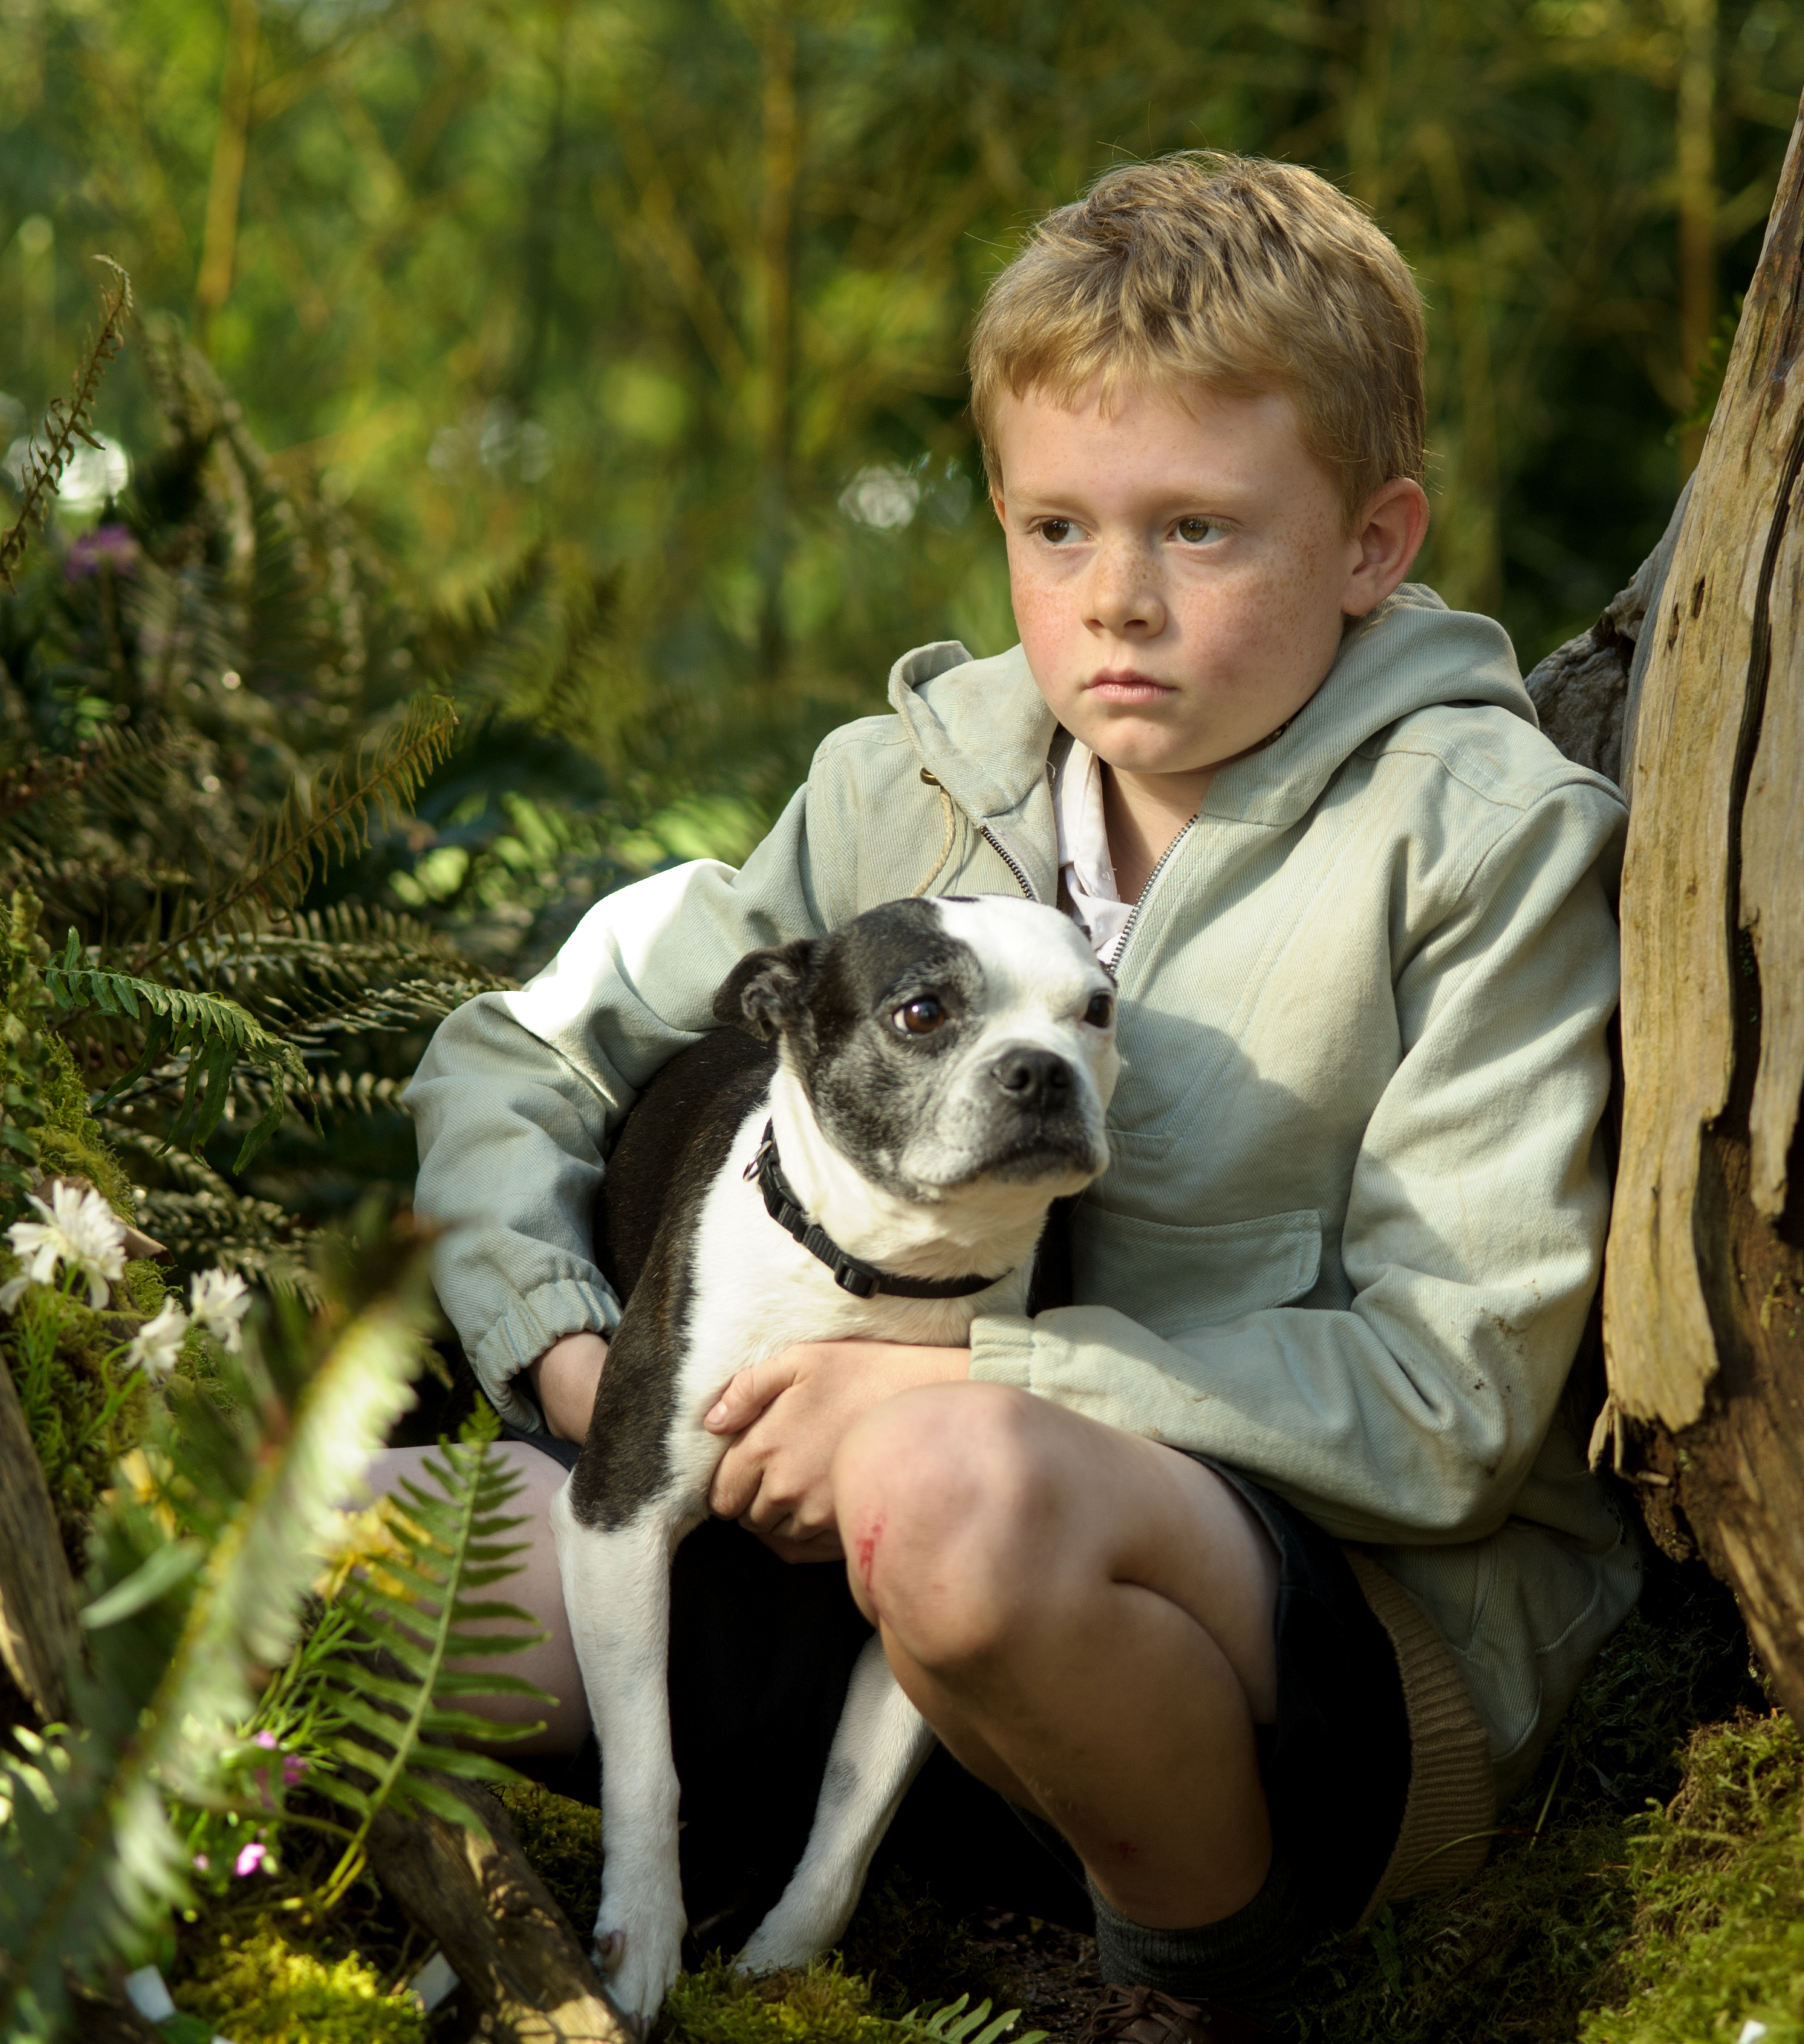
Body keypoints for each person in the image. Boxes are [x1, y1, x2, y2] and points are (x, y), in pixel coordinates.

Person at [398, 150, 1640, 2044]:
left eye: (1199, 533)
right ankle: (797, 1865)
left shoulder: (1482, 849)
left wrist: (971, 1386)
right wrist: (578, 1364)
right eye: (1056, 530)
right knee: (335, 1552)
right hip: (834, 1602)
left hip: (1300, 1666)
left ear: (1376, 544)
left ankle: (1172, 1982)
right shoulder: (911, 790)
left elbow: (1449, 1402)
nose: (1114, 603)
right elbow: (525, 1053)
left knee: (943, 1486)